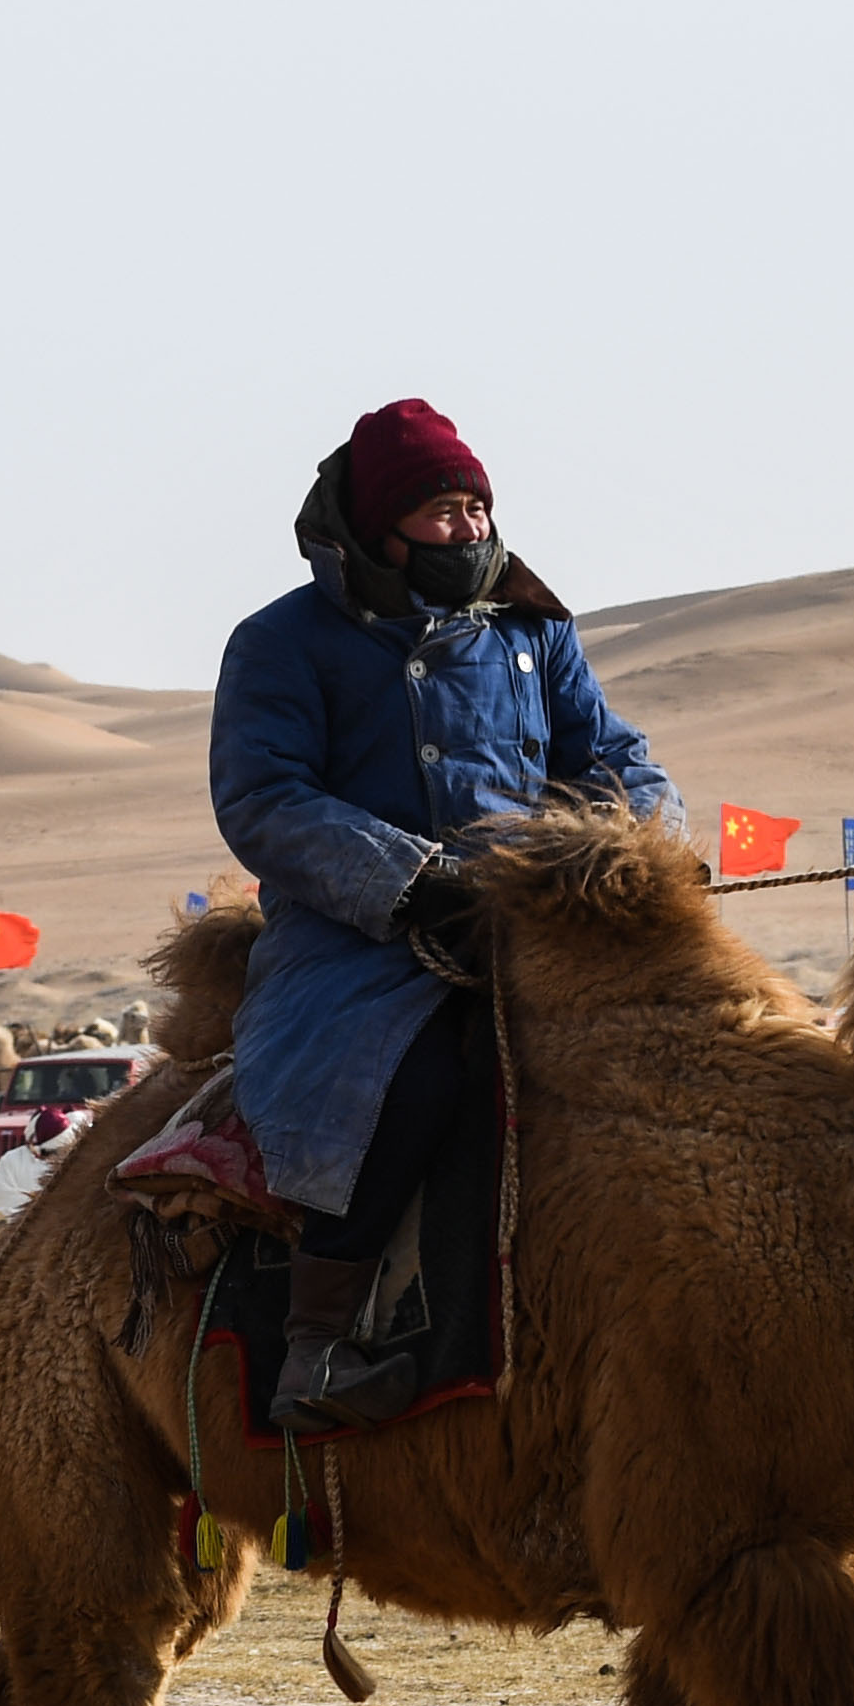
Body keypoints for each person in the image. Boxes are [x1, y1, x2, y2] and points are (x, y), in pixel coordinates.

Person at [210, 398, 676, 1424]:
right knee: (409, 1083)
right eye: (437, 510)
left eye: (473, 506)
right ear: (377, 525)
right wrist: (414, 878)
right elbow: (262, 798)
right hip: (361, 944)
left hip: (536, 920)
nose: (465, 529)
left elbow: (612, 759)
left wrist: (628, 842)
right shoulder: (283, 643)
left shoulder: (531, 629)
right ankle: (316, 1346)